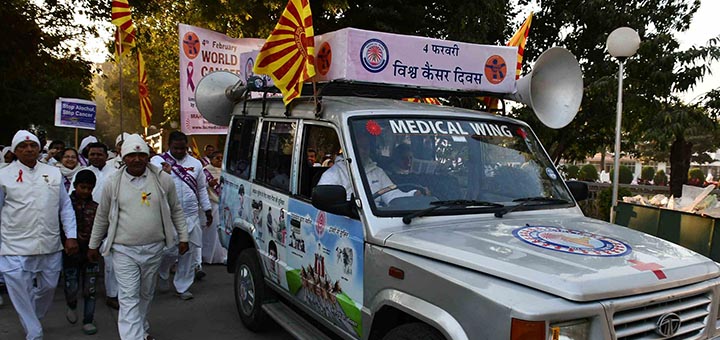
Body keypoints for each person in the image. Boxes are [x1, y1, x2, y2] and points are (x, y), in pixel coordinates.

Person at [88, 134, 189, 340]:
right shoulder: (112, 182)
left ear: (148, 156)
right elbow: (102, 217)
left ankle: (141, 330)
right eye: (131, 155)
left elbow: (176, 210)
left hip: (154, 248)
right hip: (124, 250)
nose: (136, 159)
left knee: (145, 294)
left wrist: (184, 237)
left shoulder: (163, 179)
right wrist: (93, 244)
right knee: (128, 297)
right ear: (123, 157)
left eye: (141, 155)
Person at [0, 130, 79, 340]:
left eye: (32, 145)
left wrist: (71, 235)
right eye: (22, 147)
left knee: (49, 286)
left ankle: (32, 317)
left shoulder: (53, 173)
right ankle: (34, 332)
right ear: (15, 151)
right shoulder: (3, 175)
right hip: (14, 245)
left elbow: (65, 207)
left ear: (38, 148)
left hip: (49, 243)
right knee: (20, 291)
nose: (28, 149)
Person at [151, 131, 212, 300]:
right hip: (167, 215)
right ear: (168, 146)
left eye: (182, 148)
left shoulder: (196, 164)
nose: (179, 151)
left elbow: (201, 188)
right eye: (175, 148)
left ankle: (183, 286)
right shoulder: (157, 162)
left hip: (191, 214)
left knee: (188, 251)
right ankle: (163, 272)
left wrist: (207, 209)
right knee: (168, 251)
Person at [318, 130, 420, 206]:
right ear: (348, 149)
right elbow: (324, 203)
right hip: (347, 219)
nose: (363, 151)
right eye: (359, 147)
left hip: (375, 219)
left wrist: (413, 195)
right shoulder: (334, 174)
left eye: (365, 147)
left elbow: (392, 196)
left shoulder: (376, 172)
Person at [80, 142, 120, 309]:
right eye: (92, 154)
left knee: (111, 260)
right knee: (89, 257)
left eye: (99, 154)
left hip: (112, 220)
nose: (95, 157)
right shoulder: (82, 173)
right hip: (88, 221)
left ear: (106, 156)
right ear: (88, 156)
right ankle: (87, 288)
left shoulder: (116, 173)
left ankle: (113, 294)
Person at [62, 169, 100, 335]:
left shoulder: (97, 207)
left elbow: (101, 229)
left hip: (91, 254)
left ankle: (88, 320)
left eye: (89, 188)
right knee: (71, 286)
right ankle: (71, 304)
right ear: (75, 186)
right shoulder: (66, 206)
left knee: (90, 289)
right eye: (82, 187)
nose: (85, 191)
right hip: (71, 254)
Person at [202, 151, 227, 264]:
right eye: (217, 158)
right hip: (212, 204)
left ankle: (222, 256)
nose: (220, 160)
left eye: (222, 158)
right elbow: (201, 187)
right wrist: (209, 184)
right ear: (211, 159)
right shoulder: (205, 171)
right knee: (212, 231)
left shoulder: (226, 170)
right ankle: (209, 257)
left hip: (224, 204)